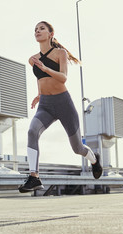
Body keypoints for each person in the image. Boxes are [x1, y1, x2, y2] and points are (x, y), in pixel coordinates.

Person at [18, 21, 103, 193]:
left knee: (77, 148)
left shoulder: (60, 53)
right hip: (45, 105)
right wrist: (39, 94)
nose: (37, 31)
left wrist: (45, 67)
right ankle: (34, 177)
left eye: (41, 28)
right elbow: (39, 78)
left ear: (50, 33)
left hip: (63, 103)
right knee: (32, 132)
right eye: (35, 29)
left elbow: (63, 77)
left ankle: (95, 159)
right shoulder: (32, 59)